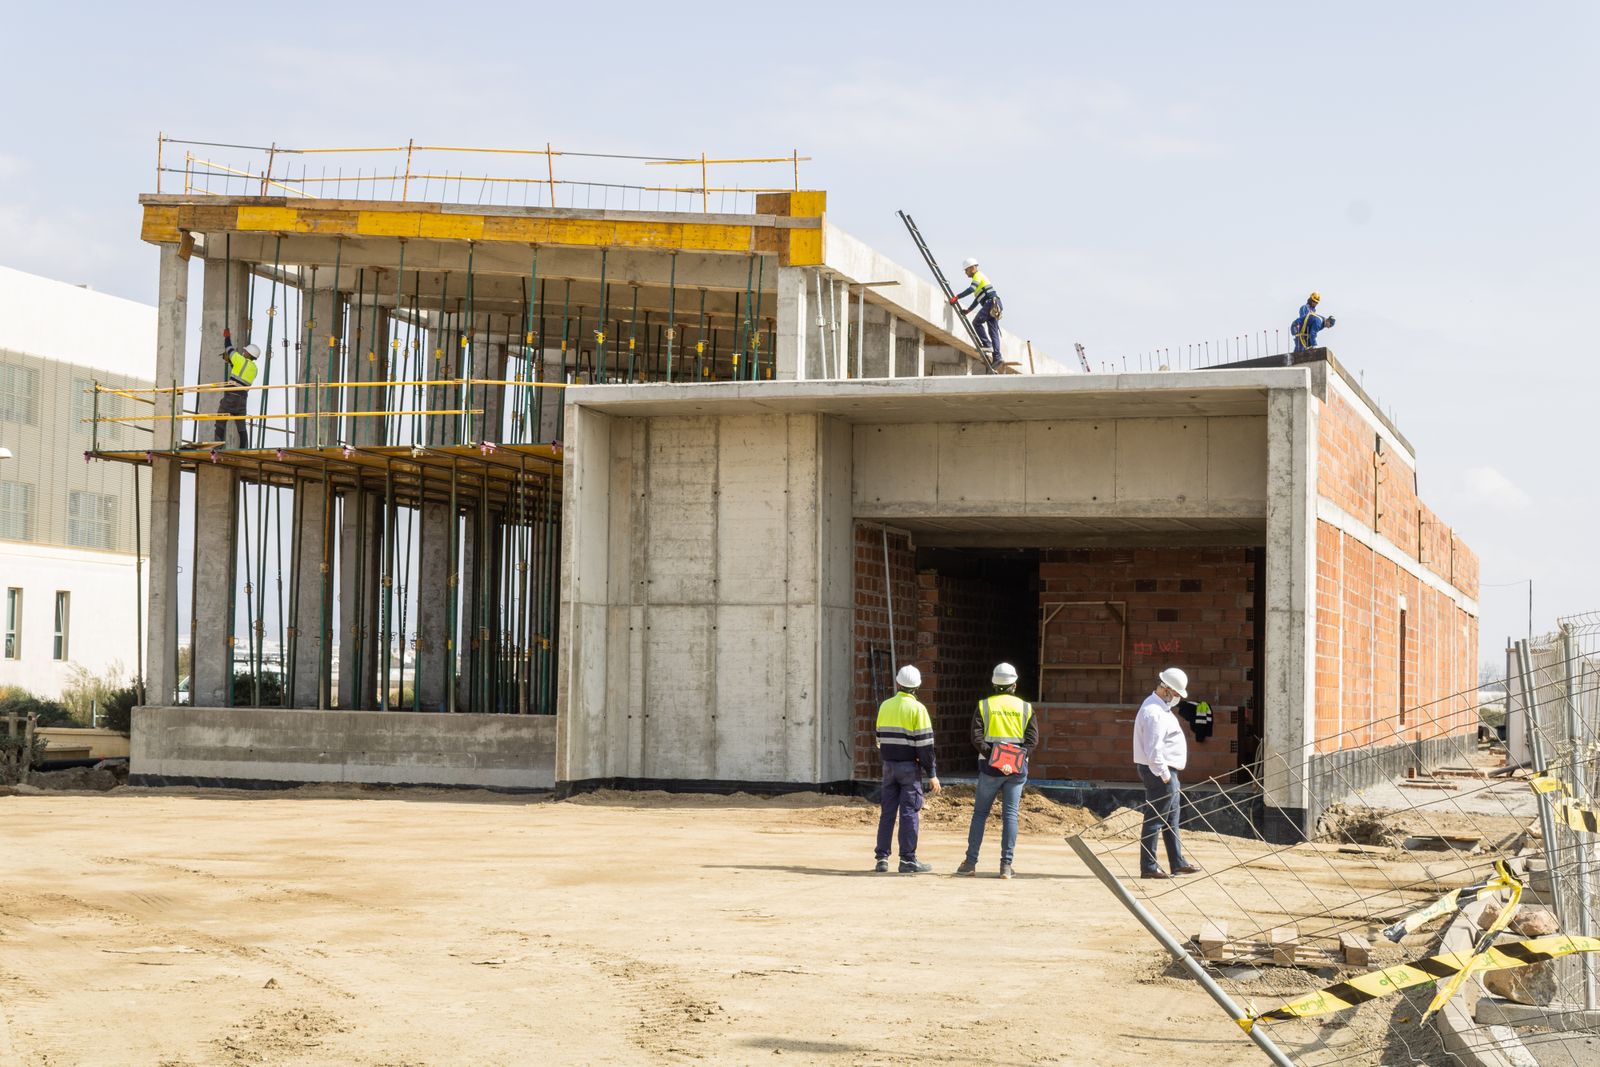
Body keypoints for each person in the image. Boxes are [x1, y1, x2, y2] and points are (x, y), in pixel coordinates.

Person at [956, 662, 1036, 879]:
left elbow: (976, 737)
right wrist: (1015, 759)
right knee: (1010, 815)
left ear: (994, 684)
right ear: (1015, 685)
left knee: (980, 814)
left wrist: (996, 757)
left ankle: (970, 863)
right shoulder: (1025, 708)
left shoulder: (984, 706)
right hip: (1016, 770)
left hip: (990, 768)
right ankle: (1006, 866)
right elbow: (1032, 740)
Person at [1133, 667, 1202, 880]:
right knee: (1155, 818)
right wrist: (1164, 776)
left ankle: (1177, 862)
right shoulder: (1154, 712)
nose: (1178, 698)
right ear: (1166, 690)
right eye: (1177, 694)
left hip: (1166, 771)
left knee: (1171, 818)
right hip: (1160, 772)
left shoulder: (1160, 708)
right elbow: (1154, 750)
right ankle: (1149, 867)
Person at [873, 665, 941, 873]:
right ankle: (908, 859)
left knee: (888, 812)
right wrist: (932, 774)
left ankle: (882, 858)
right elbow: (925, 746)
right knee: (909, 812)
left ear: (898, 683)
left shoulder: (885, 705)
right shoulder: (918, 709)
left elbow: (879, 740)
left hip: (889, 766)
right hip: (909, 768)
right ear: (918, 686)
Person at [949, 257, 1004, 368]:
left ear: (972, 268)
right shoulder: (980, 280)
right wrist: (969, 310)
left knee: (977, 323)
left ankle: (987, 344)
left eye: (966, 270)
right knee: (993, 332)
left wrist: (957, 297)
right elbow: (978, 299)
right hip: (994, 304)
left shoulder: (978, 276)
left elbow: (971, 289)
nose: (965, 273)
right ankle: (997, 357)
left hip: (991, 303)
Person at [216, 328, 259, 448]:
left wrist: (227, 337)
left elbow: (229, 348)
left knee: (220, 418)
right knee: (241, 426)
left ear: (248, 354)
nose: (243, 352)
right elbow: (241, 373)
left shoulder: (240, 360)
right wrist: (231, 363)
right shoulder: (254, 369)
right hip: (242, 399)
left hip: (231, 395)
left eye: (245, 351)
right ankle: (244, 447)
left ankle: (218, 446)